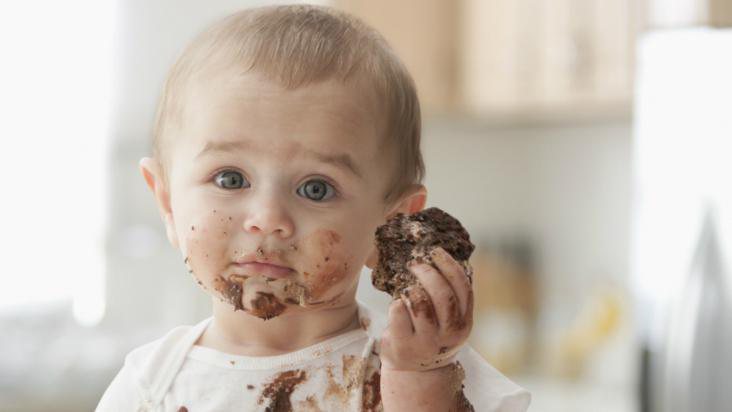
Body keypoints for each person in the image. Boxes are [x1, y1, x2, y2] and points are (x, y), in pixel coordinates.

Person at [97, 4, 531, 411]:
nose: (268, 218)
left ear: (393, 226)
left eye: (316, 188)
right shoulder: (149, 387)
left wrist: (421, 381)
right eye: (231, 179)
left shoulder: (421, 364)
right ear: (168, 203)